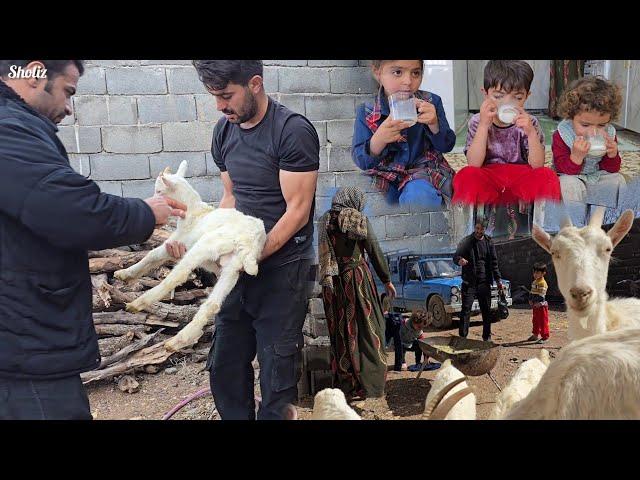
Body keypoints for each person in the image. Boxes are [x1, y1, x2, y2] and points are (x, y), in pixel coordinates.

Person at [0, 60, 186, 420]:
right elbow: (73, 210)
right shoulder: (9, 130)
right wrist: (148, 212)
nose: (69, 108)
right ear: (35, 74)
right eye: (68, 91)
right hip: (25, 351)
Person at [166, 60, 319, 420]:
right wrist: (203, 244)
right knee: (224, 364)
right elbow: (230, 199)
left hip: (284, 268)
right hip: (238, 265)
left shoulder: (291, 132)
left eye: (225, 95)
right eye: (214, 96)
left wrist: (248, 255)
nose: (220, 106)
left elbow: (296, 212)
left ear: (254, 84)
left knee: (276, 371)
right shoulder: (224, 132)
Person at [318, 187, 396, 399]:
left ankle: (348, 384)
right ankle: (371, 384)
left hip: (333, 284)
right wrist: (387, 280)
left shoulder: (325, 220)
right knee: (370, 329)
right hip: (357, 280)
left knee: (342, 331)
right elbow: (374, 249)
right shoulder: (357, 219)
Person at [453, 60, 560, 207]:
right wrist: (484, 126)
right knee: (465, 175)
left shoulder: (530, 122)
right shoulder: (478, 121)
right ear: (485, 93)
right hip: (489, 176)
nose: (507, 104)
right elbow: (474, 163)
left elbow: (537, 165)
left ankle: (544, 224)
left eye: (517, 98)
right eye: (498, 96)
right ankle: (472, 225)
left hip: (521, 176)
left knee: (547, 176)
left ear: (527, 96)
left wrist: (531, 134)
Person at [352, 60, 456, 208]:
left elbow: (447, 145)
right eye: (397, 72)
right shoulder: (366, 111)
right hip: (385, 175)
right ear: (377, 72)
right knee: (364, 198)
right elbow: (362, 162)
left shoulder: (431, 102)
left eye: (415, 73)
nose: (408, 81)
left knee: (419, 195)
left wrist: (434, 124)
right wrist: (378, 141)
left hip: (424, 173)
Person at [552, 76, 626, 212]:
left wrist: (612, 155)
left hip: (597, 176)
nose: (593, 132)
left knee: (618, 180)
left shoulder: (609, 133)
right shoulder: (563, 134)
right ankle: (576, 222)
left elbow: (612, 169)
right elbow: (561, 169)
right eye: (585, 125)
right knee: (566, 185)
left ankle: (607, 219)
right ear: (570, 116)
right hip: (572, 177)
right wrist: (576, 157)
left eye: (602, 125)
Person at [453, 217, 504, 342]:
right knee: (466, 310)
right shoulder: (466, 241)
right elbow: (455, 256)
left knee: (486, 310)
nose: (478, 231)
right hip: (469, 281)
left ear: (485, 229)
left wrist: (498, 280)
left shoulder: (489, 242)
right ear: (474, 227)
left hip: (484, 281)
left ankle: (487, 337)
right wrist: (460, 260)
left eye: (481, 229)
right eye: (477, 228)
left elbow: (494, 262)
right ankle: (463, 337)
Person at [528, 262, 549, 344]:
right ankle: (535, 334)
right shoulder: (534, 282)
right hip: (535, 305)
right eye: (534, 272)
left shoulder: (542, 283)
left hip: (541, 306)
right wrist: (530, 300)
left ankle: (545, 337)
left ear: (543, 273)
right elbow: (531, 292)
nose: (535, 274)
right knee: (535, 320)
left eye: (537, 272)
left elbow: (541, 295)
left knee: (543, 321)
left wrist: (537, 302)